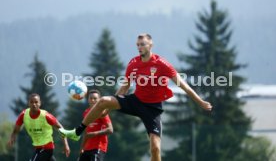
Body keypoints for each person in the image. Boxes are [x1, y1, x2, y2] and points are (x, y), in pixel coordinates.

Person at [59, 33, 212, 161]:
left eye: (142, 44)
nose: (139, 47)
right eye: (138, 45)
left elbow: (183, 85)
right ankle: (77, 132)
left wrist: (200, 102)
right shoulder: (133, 64)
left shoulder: (162, 64)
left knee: (155, 148)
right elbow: (125, 86)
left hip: (153, 109)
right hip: (136, 101)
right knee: (103, 100)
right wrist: (111, 105)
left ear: (151, 45)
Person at [8, 93, 70, 161]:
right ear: (28, 103)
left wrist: (66, 144)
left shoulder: (46, 116)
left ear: (40, 103)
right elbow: (16, 129)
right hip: (38, 148)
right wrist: (13, 135)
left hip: (46, 148)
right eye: (31, 102)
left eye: (36, 102)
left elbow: (60, 128)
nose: (34, 104)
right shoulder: (24, 115)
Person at [78, 89, 113, 161]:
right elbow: (86, 133)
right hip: (86, 148)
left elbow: (110, 129)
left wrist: (94, 133)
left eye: (95, 98)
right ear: (88, 100)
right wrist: (82, 148)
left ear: (99, 100)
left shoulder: (102, 113)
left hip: (98, 147)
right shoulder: (86, 112)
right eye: (91, 98)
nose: (93, 100)